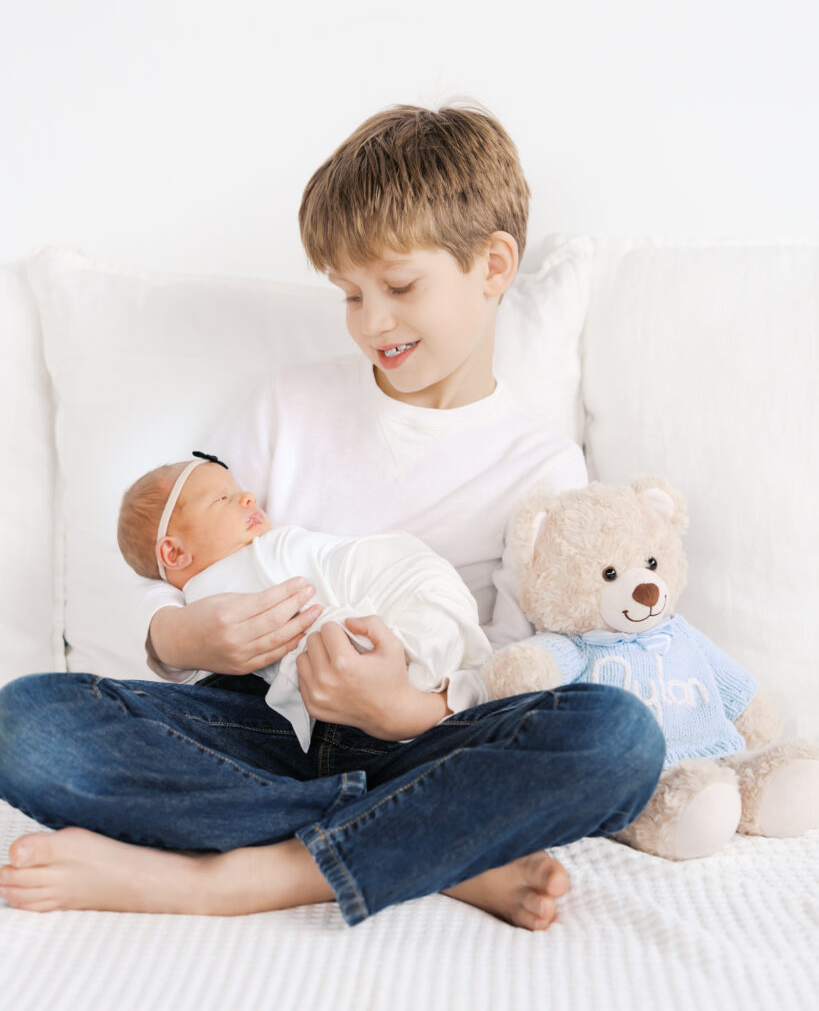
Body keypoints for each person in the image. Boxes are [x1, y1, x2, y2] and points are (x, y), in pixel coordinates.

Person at [0, 103, 665, 929]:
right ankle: (438, 850)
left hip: (424, 732)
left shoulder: (540, 468)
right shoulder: (284, 407)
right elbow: (178, 571)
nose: (372, 322)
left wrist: (404, 711)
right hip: (263, 724)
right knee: (25, 724)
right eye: (350, 294)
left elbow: (518, 665)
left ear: (492, 265)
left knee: (619, 740)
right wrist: (187, 639)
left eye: (397, 286)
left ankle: (234, 881)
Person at [117, 453, 492, 751]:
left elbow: (319, 619)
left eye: (240, 491)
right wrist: (171, 635)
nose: (249, 497)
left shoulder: (269, 554)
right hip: (409, 645)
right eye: (223, 498)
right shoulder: (220, 581)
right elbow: (153, 586)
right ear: (174, 552)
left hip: (410, 616)